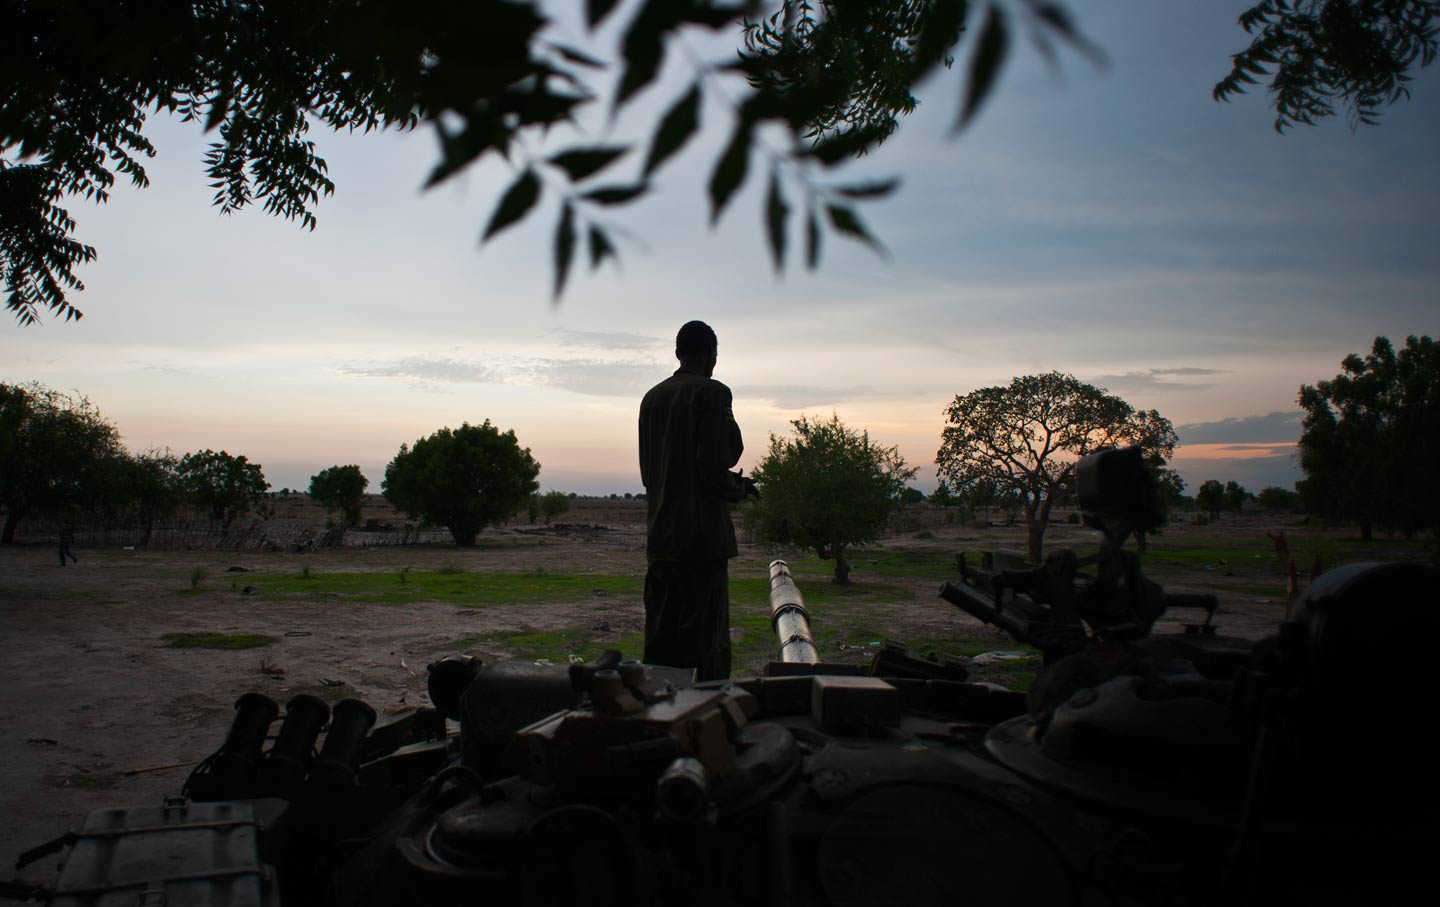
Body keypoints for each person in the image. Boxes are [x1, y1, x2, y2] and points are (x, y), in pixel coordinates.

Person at [638, 321, 757, 680]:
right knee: (705, 646)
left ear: (678, 353)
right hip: (701, 544)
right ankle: (706, 722)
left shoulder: (651, 398)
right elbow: (716, 463)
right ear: (711, 356)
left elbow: (649, 474)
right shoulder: (714, 393)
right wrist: (741, 490)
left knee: (660, 642)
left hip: (660, 541)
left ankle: (657, 720)